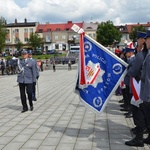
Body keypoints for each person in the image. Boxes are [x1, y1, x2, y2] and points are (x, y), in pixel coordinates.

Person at [125, 31, 148, 147]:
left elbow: (133, 72)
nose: (138, 41)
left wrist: (129, 69)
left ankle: (139, 138)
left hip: (140, 87)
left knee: (137, 110)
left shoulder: (141, 55)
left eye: (140, 38)